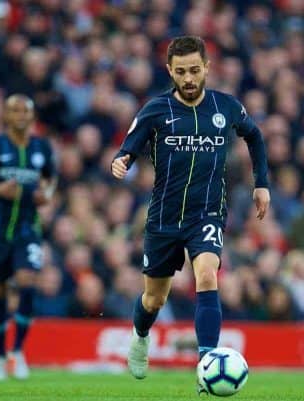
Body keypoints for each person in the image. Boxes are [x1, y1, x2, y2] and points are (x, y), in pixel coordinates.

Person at [110, 36, 270, 394]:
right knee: (154, 299)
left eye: (195, 70)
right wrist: (122, 160)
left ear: (207, 68)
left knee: (208, 276)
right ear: (170, 71)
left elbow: (256, 137)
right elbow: (129, 145)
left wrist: (262, 184)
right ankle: (140, 336)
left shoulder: (225, 106)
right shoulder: (156, 109)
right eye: (181, 72)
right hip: (164, 219)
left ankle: (206, 363)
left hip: (207, 215)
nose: (189, 78)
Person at [0, 94, 57, 380]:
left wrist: (47, 195)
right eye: (13, 110)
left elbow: (51, 178)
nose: (19, 114)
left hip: (29, 229)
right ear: (5, 116)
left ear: (31, 116)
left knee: (28, 281)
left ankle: (18, 351)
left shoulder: (42, 147)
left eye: (24, 110)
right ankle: (0, 356)